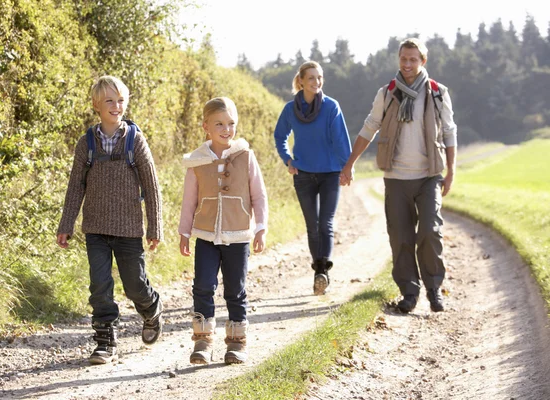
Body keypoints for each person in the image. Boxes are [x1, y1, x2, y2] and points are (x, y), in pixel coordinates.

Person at [340, 38, 457, 313]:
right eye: (403, 59)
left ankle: (434, 288)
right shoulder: (387, 93)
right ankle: (409, 292)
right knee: (401, 237)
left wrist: (451, 172)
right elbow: (370, 127)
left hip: (429, 176)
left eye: (413, 59)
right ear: (398, 59)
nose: (407, 64)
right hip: (395, 177)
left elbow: (450, 131)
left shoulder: (438, 92)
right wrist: (350, 164)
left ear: (422, 61)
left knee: (430, 232)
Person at [56, 75, 164, 364]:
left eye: (121, 100)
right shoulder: (86, 144)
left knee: (134, 285)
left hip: (129, 230)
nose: (116, 106)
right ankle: (106, 340)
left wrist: (155, 227)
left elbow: (152, 186)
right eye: (109, 101)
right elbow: (75, 186)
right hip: (95, 230)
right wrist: (66, 225)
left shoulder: (135, 141)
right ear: (96, 105)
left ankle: (151, 308)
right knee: (99, 286)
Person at [178, 97, 268, 365]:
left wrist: (260, 227)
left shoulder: (246, 157)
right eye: (219, 123)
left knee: (235, 290)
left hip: (238, 235)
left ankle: (236, 343)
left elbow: (259, 195)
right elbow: (188, 200)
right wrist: (184, 232)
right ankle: (203, 342)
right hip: (205, 235)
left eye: (231, 123)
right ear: (206, 126)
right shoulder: (197, 161)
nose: (226, 129)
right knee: (203, 287)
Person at [273, 60, 352, 296]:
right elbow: (280, 136)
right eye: (311, 78)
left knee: (325, 223)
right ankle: (319, 270)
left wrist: (347, 167)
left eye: (319, 78)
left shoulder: (331, 107)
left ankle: (322, 272)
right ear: (301, 81)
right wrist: (288, 159)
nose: (316, 82)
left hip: (329, 173)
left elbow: (340, 139)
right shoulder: (290, 109)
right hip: (303, 174)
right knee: (312, 226)